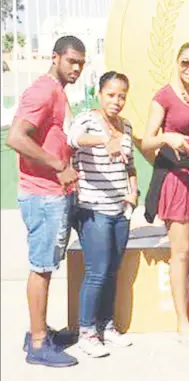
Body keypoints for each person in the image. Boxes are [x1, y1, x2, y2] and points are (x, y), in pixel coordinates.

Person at [6, 35, 86, 367]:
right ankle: (38, 343)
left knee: (48, 267)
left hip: (52, 194)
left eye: (81, 63)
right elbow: (15, 137)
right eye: (71, 61)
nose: (77, 68)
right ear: (55, 58)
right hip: (42, 195)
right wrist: (57, 166)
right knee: (41, 268)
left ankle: (39, 330)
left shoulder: (57, 92)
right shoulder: (42, 91)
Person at [141, 42, 189, 347]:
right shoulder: (164, 96)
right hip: (174, 178)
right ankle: (182, 323)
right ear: (177, 62)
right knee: (182, 252)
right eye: (186, 62)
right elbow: (147, 142)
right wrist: (167, 137)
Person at [67, 71, 137, 358]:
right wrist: (102, 140)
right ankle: (86, 332)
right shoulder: (87, 119)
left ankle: (106, 326)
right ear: (100, 93)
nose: (117, 101)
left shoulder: (127, 126)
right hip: (93, 209)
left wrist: (133, 192)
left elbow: (129, 165)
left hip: (120, 211)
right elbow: (74, 138)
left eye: (122, 95)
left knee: (111, 271)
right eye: (111, 94)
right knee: (96, 272)